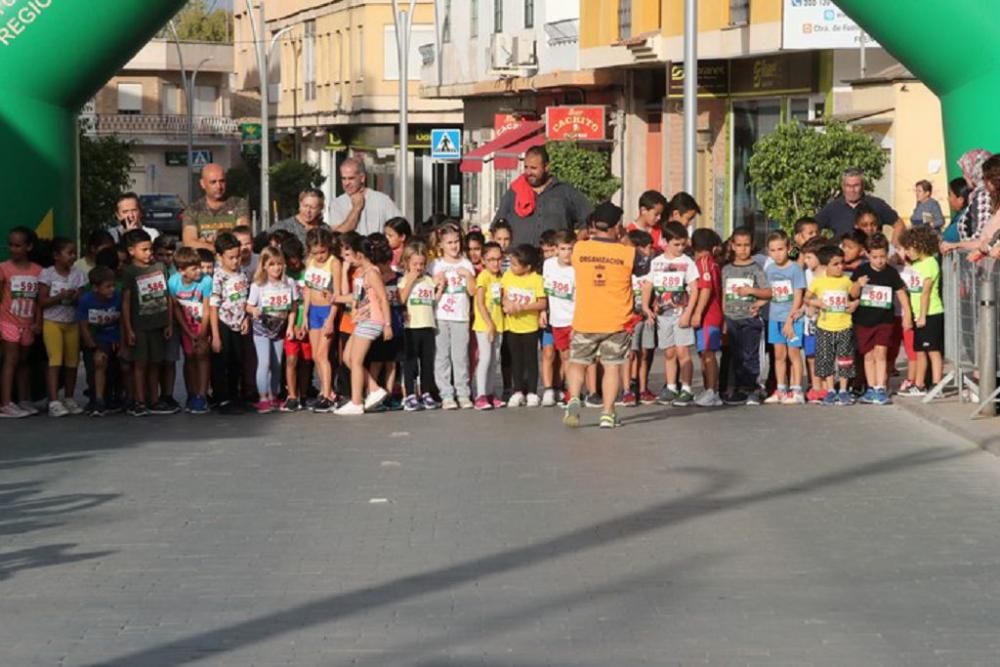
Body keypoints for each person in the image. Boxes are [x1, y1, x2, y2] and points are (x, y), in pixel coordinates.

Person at [562, 202, 646, 429]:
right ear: (616, 226)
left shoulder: (580, 249)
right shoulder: (627, 253)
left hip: (586, 318)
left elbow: (576, 244)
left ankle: (574, 398)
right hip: (616, 321)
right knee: (611, 366)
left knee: (578, 362)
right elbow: (644, 268)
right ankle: (608, 413)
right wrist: (626, 239)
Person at [641, 221, 700, 406]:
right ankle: (672, 386)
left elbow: (694, 288)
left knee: (683, 351)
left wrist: (688, 313)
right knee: (669, 352)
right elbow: (648, 285)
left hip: (681, 313)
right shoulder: (657, 262)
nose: (680, 248)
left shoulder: (687, 262)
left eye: (683, 244)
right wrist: (646, 307)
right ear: (665, 241)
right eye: (676, 244)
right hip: (663, 315)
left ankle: (687, 388)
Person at [334, 233, 393, 415]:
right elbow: (358, 297)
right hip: (361, 319)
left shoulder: (372, 273)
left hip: (372, 320)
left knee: (357, 361)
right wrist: (339, 298)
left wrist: (387, 324)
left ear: (360, 254)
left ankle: (357, 401)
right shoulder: (363, 273)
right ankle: (374, 388)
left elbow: (383, 298)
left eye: (350, 254)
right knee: (347, 358)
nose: (348, 259)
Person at [850, 233, 912, 405]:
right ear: (867, 254)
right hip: (864, 320)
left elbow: (901, 293)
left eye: (883, 256)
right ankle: (871, 388)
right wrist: (858, 285)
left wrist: (907, 314)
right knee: (868, 355)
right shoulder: (861, 271)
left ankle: (880, 388)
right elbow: (852, 294)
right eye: (875, 257)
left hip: (885, 320)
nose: (879, 261)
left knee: (881, 353)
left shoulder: (891, 273)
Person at [493, 145, 593, 247]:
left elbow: (589, 221)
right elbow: (496, 227)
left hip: (554, 259)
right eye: (526, 167)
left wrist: (573, 244)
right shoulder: (514, 192)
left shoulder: (565, 192)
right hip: (521, 259)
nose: (528, 172)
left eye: (533, 168)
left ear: (546, 167)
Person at [121, 229, 173, 417]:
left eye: (150, 249)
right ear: (131, 251)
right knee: (140, 364)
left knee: (155, 363)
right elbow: (126, 302)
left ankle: (154, 399)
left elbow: (167, 297)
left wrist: (169, 323)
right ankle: (139, 401)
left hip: (158, 324)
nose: (149, 253)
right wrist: (128, 329)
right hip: (139, 326)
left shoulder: (160, 267)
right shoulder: (129, 272)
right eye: (144, 249)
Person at [429, 223, 476, 409]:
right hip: (440, 315)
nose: (454, 246)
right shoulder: (435, 265)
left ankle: (463, 392)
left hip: (461, 316)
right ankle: (446, 393)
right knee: (442, 356)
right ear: (441, 245)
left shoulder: (466, 264)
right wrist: (436, 282)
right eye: (449, 243)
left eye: (456, 242)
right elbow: (429, 291)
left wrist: (469, 276)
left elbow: (473, 291)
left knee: (460, 356)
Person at [721, 228, 771, 405]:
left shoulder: (755, 269)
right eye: (739, 245)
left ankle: (752, 388)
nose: (743, 249)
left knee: (751, 354)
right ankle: (738, 388)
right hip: (731, 318)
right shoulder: (726, 269)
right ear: (732, 246)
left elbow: (768, 292)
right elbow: (723, 295)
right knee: (736, 355)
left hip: (750, 319)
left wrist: (752, 293)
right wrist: (723, 319)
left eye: (746, 245)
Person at [247, 246, 299, 414]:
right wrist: (253, 310)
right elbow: (249, 305)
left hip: (280, 327)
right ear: (264, 266)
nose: (276, 268)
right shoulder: (258, 285)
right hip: (262, 327)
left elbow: (293, 307)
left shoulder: (289, 282)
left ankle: (273, 394)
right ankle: (262, 397)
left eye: (279, 264)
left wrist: (291, 326)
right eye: (272, 264)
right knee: (264, 362)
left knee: (277, 363)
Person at [39, 237, 87, 416]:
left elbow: (82, 300)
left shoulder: (78, 275)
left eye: (74, 253)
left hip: (72, 322)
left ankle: (69, 397)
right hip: (52, 321)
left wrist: (75, 297)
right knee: (55, 359)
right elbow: (42, 301)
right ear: (56, 256)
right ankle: (53, 400)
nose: (73, 256)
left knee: (72, 361)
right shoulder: (48, 274)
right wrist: (59, 297)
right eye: (69, 253)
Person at [805, 245, 858, 406]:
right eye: (835, 264)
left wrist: (856, 302)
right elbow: (807, 298)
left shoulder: (846, 280)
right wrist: (815, 302)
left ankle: (843, 390)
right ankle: (829, 390)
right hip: (825, 326)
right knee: (826, 359)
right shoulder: (818, 282)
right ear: (825, 265)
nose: (840, 267)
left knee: (845, 359)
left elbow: (854, 295)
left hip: (844, 325)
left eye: (842, 263)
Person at [0, 227, 43, 418]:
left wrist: (38, 321)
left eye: (18, 245)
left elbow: (40, 301)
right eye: (11, 245)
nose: (13, 249)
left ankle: (24, 399)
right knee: (11, 359)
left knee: (24, 361)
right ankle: (6, 403)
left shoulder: (38, 271)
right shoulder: (3, 268)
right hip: (8, 320)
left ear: (29, 247)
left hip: (28, 323)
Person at [898, 226, 944, 396]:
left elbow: (926, 292)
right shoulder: (916, 264)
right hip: (919, 314)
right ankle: (919, 384)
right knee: (919, 350)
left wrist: (923, 315)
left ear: (920, 245)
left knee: (933, 350)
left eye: (909, 249)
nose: (908, 253)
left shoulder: (930, 263)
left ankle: (937, 384)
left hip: (931, 313)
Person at [761, 231, 807, 405]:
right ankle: (780, 388)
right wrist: (758, 303)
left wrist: (790, 320)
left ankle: (796, 389)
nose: (777, 253)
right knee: (778, 355)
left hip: (792, 318)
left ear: (788, 248)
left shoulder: (795, 268)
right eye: (773, 250)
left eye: (780, 249)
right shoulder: (770, 269)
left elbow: (798, 295)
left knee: (793, 353)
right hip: (774, 317)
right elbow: (769, 292)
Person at [500, 244, 547, 407]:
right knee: (516, 360)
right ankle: (517, 390)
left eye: (515, 264)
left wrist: (523, 307)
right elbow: (504, 296)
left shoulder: (536, 279)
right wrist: (507, 304)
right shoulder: (507, 276)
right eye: (511, 263)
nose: (512, 267)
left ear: (527, 267)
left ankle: (532, 391)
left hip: (530, 327)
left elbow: (542, 302)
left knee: (531, 360)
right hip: (512, 326)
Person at [209, 232, 250, 415]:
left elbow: (246, 298)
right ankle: (222, 399)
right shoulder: (218, 277)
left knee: (237, 361)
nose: (235, 261)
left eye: (238, 256)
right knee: (221, 362)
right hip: (223, 323)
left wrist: (246, 318)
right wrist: (216, 335)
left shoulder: (243, 272)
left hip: (239, 323)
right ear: (219, 256)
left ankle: (235, 396)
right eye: (230, 258)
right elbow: (213, 306)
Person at [168, 246, 212, 415]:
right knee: (190, 357)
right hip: (186, 326)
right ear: (182, 271)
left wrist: (202, 334)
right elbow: (176, 308)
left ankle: (202, 395)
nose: (199, 271)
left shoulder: (206, 281)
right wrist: (188, 332)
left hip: (202, 325)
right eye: (194, 269)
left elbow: (207, 308)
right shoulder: (173, 282)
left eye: (199, 266)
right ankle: (191, 394)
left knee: (202, 356)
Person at [302, 227, 341, 412]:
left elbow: (338, 294)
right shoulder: (309, 262)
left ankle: (327, 395)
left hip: (327, 310)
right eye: (315, 252)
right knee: (316, 356)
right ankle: (327, 391)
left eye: (323, 251)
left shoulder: (334, 263)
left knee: (322, 355)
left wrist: (331, 318)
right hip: (313, 311)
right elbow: (307, 289)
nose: (319, 256)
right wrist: (304, 316)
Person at [398, 240, 439, 411]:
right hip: (411, 327)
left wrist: (440, 286)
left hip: (428, 325)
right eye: (415, 263)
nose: (419, 267)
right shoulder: (404, 280)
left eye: (422, 264)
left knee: (427, 362)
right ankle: (409, 394)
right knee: (410, 362)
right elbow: (400, 298)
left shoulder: (428, 280)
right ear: (407, 262)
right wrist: (410, 281)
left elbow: (433, 301)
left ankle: (427, 392)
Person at [77, 266, 122, 417]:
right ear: (96, 288)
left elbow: (123, 320)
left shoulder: (118, 297)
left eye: (113, 285)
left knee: (120, 367)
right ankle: (98, 399)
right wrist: (95, 348)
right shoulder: (86, 301)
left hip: (115, 338)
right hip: (97, 340)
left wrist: (122, 340)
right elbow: (84, 328)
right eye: (108, 286)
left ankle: (119, 397)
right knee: (99, 363)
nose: (112, 289)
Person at [816, 168, 902, 240]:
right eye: (848, 186)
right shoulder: (832, 208)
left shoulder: (876, 204)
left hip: (872, 257)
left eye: (856, 185)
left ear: (863, 186)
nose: (852, 190)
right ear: (842, 186)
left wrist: (892, 249)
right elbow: (812, 228)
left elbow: (899, 225)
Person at [690, 228, 724, 407]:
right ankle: (708, 389)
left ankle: (711, 390)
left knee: (708, 354)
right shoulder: (712, 262)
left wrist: (697, 313)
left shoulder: (704, 261)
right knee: (704, 353)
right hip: (711, 315)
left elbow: (706, 288)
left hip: (708, 316)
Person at [541, 230, 576, 407]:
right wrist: (542, 311)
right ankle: (556, 389)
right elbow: (544, 290)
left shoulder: (576, 269)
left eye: (570, 248)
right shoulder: (549, 265)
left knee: (569, 357)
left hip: (572, 320)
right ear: (556, 249)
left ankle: (572, 393)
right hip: (555, 319)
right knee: (560, 356)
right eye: (563, 248)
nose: (567, 253)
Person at [181, 163, 250, 251]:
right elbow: (189, 243)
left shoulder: (238, 204)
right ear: (202, 184)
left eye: (222, 181)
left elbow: (243, 237)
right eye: (213, 182)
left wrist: (204, 243)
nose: (219, 186)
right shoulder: (193, 210)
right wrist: (219, 249)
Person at [329, 157, 403, 236]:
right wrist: (356, 208)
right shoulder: (337, 204)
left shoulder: (382, 200)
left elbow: (401, 228)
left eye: (351, 178)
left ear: (362, 178)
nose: (346, 183)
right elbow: (338, 235)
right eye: (343, 178)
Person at [280, 236, 312, 412]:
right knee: (291, 359)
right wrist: (292, 326)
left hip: (306, 322)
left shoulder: (307, 273)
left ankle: (304, 394)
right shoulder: (284, 277)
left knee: (306, 361)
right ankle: (292, 395)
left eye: (296, 260)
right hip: (290, 324)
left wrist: (303, 323)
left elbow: (309, 299)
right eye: (290, 262)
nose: (294, 264)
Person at [473, 242, 505, 410]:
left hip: (499, 323)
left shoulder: (501, 277)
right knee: (485, 358)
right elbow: (479, 303)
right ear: (484, 260)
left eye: (499, 259)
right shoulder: (483, 276)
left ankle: (491, 393)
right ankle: (480, 394)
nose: (495, 263)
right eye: (491, 259)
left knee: (494, 360)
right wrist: (489, 324)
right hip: (484, 325)